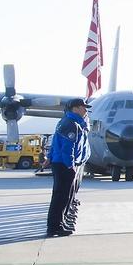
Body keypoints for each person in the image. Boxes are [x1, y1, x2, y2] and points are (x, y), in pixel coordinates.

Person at [46, 98, 90, 237]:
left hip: (62, 164)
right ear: (75, 108)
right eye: (83, 107)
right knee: (61, 197)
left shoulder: (69, 122)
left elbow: (55, 143)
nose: (85, 110)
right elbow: (67, 148)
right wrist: (70, 165)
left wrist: (50, 157)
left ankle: (59, 223)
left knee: (64, 196)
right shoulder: (71, 124)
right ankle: (55, 226)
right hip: (65, 165)